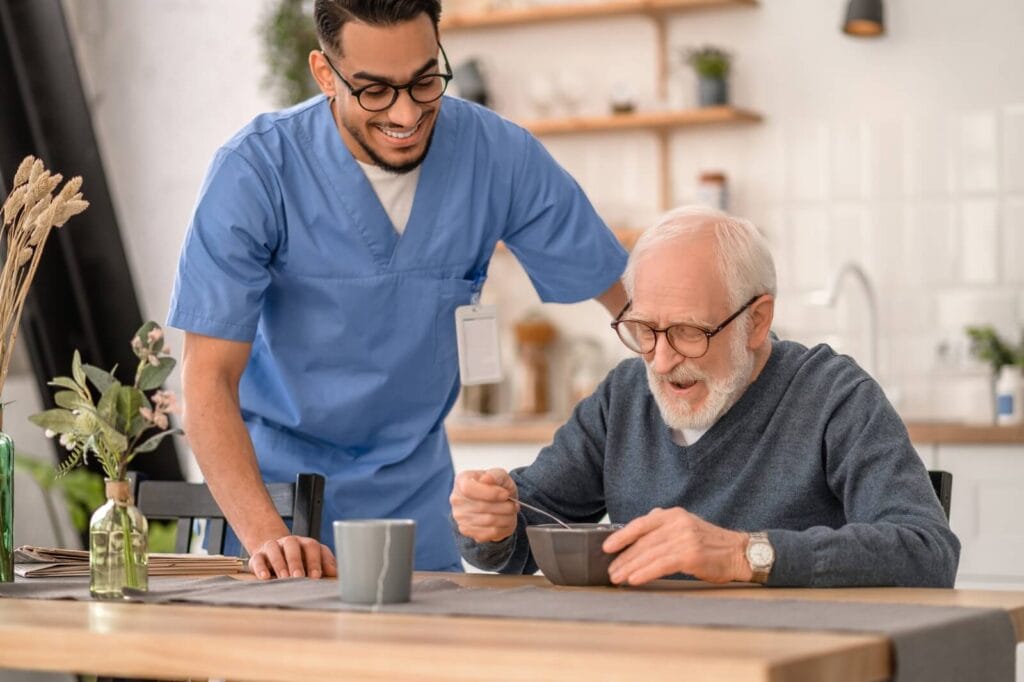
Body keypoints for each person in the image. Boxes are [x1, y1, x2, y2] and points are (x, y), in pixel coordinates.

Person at [167, 0, 627, 580]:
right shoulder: (255, 172)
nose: (407, 112)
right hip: (273, 499)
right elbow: (207, 377)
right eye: (375, 91)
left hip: (415, 500)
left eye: (424, 80)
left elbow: (633, 303)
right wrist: (267, 538)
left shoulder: (496, 155)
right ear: (324, 72)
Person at [451, 206, 960, 587]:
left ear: (757, 320)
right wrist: (492, 525)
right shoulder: (623, 398)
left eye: (689, 332)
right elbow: (527, 536)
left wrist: (744, 555)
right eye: (645, 329)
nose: (662, 359)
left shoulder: (833, 396)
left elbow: (927, 551)